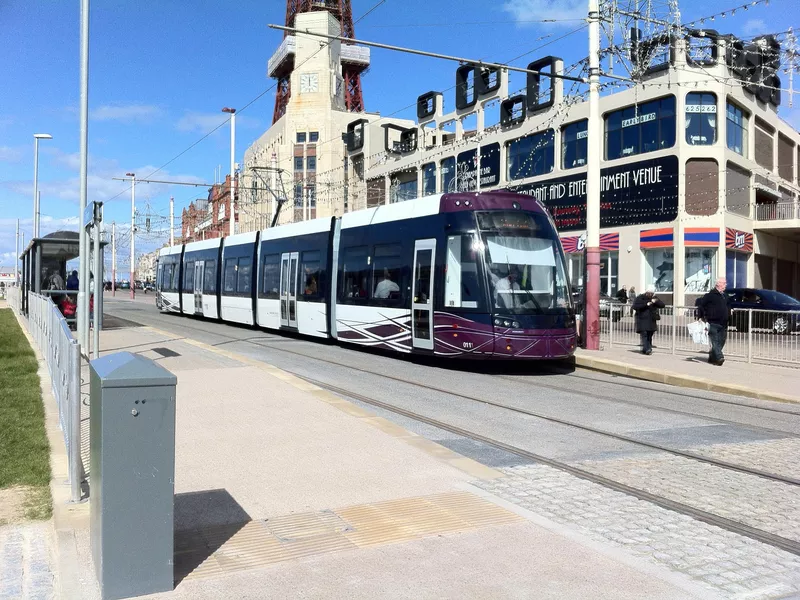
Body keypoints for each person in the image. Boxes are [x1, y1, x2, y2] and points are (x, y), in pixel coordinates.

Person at [697, 277, 729, 366]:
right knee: (715, 341)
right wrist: (700, 317)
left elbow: (729, 305)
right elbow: (701, 306)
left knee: (721, 341)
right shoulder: (710, 295)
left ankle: (712, 357)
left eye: (725, 283)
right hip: (713, 322)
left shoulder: (725, 295)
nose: (725, 285)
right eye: (724, 283)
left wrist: (730, 312)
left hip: (723, 322)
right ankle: (719, 357)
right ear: (718, 284)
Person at [632, 285, 665, 355]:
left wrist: (655, 301)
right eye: (649, 293)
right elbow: (635, 306)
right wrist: (646, 304)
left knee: (650, 335)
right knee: (644, 335)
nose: (650, 295)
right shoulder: (640, 298)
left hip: (651, 320)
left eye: (652, 293)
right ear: (646, 292)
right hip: (642, 319)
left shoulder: (654, 298)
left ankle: (647, 348)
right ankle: (647, 349)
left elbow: (662, 305)